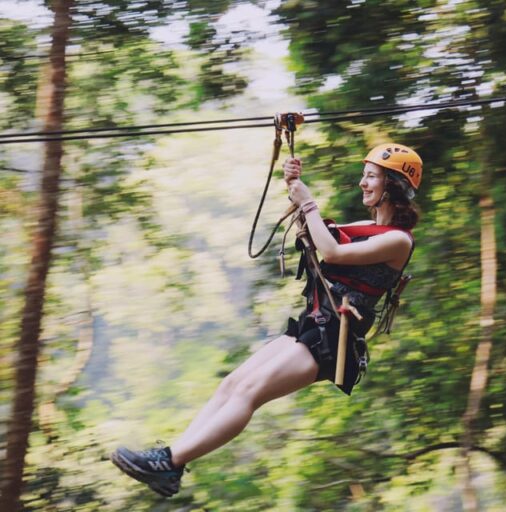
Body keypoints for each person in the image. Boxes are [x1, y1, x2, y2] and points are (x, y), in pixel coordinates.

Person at [110, 143, 423, 497]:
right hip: (314, 326)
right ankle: (170, 462)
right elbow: (321, 232)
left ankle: (170, 461)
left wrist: (308, 202)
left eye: (371, 177)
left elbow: (333, 251)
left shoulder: (398, 241)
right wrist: (295, 186)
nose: (363, 183)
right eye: (365, 176)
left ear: (392, 186)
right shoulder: (369, 226)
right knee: (231, 384)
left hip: (332, 340)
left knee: (248, 393)